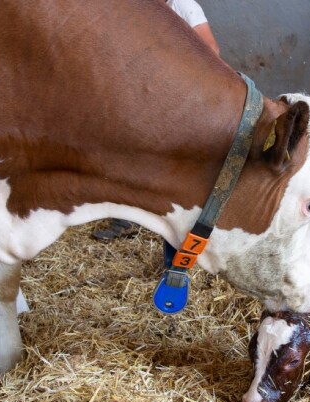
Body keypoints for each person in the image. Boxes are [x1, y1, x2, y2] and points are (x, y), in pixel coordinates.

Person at [92, 0, 220, 246]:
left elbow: (211, 51)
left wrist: (169, 65)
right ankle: (126, 218)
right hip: (143, 91)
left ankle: (177, 217)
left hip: (175, 93)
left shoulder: (183, 5)